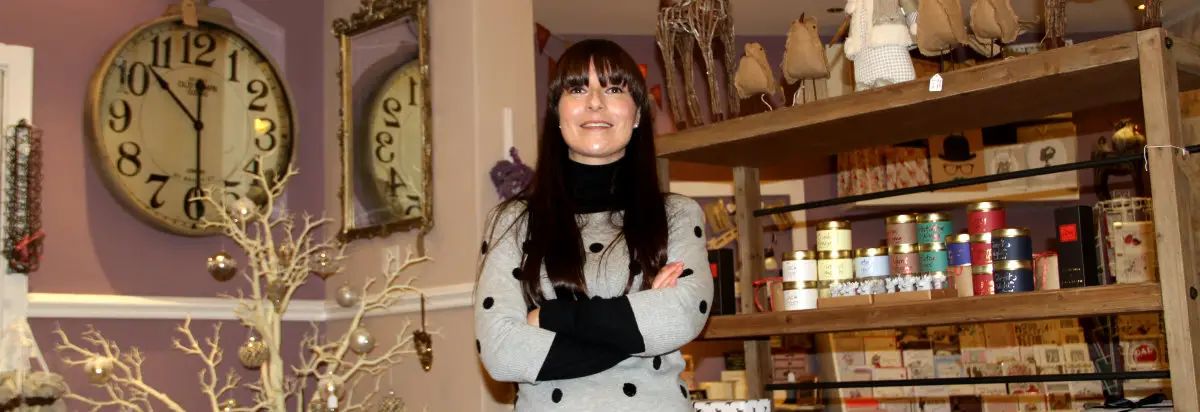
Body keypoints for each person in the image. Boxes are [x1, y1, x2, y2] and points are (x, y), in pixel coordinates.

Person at [473, 39, 714, 411]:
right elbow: (501, 351)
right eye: (577, 89)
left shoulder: (679, 215)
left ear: (637, 114)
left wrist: (550, 317)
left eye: (614, 89)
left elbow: (681, 316)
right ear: (556, 112)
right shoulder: (511, 222)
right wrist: (639, 318)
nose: (595, 102)